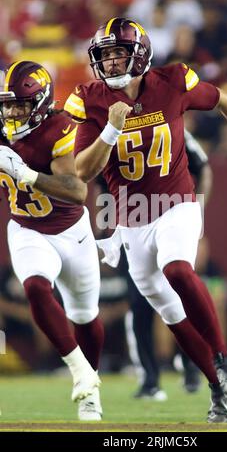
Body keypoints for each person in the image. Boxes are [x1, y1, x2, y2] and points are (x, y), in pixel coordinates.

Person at [64, 17, 227, 423]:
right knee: (170, 312)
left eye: (117, 54)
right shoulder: (90, 99)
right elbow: (82, 173)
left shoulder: (174, 80)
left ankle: (224, 360)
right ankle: (217, 386)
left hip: (177, 201)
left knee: (177, 268)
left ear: (138, 54)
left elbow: (225, 100)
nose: (108, 63)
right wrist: (110, 131)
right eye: (103, 56)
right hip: (131, 218)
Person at [0, 61, 104, 421]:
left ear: (41, 103)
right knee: (36, 288)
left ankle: (93, 389)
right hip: (27, 228)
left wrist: (26, 174)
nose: (11, 112)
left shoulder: (59, 127)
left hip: (72, 232)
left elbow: (76, 191)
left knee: (85, 315)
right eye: (7, 104)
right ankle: (80, 372)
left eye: (20, 104)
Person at [125, 130, 213, 400]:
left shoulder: (167, 120)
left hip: (170, 222)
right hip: (131, 224)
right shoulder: (108, 125)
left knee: (181, 295)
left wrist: (196, 211)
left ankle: (192, 365)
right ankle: (150, 378)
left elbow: (203, 167)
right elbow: (98, 182)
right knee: (140, 305)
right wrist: (105, 222)